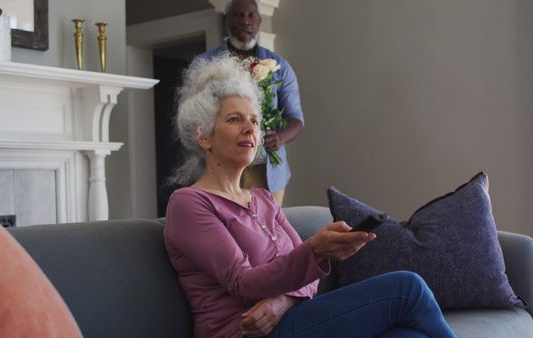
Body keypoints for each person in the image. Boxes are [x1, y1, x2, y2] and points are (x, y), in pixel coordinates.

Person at [164, 55, 457, 338]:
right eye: (234, 119)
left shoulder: (263, 199)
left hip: (292, 320)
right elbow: (244, 283)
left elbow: (311, 279)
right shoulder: (189, 204)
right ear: (204, 136)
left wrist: (284, 302)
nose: (250, 128)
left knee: (408, 335)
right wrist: (315, 250)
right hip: (243, 332)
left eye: (254, 120)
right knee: (407, 287)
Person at [194, 0, 304, 206]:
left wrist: (280, 138)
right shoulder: (204, 65)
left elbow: (296, 119)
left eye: (251, 15)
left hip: (268, 171)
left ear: (259, 20)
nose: (245, 21)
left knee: (268, 230)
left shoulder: (279, 66)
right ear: (226, 19)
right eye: (238, 15)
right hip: (220, 166)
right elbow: (194, 117)